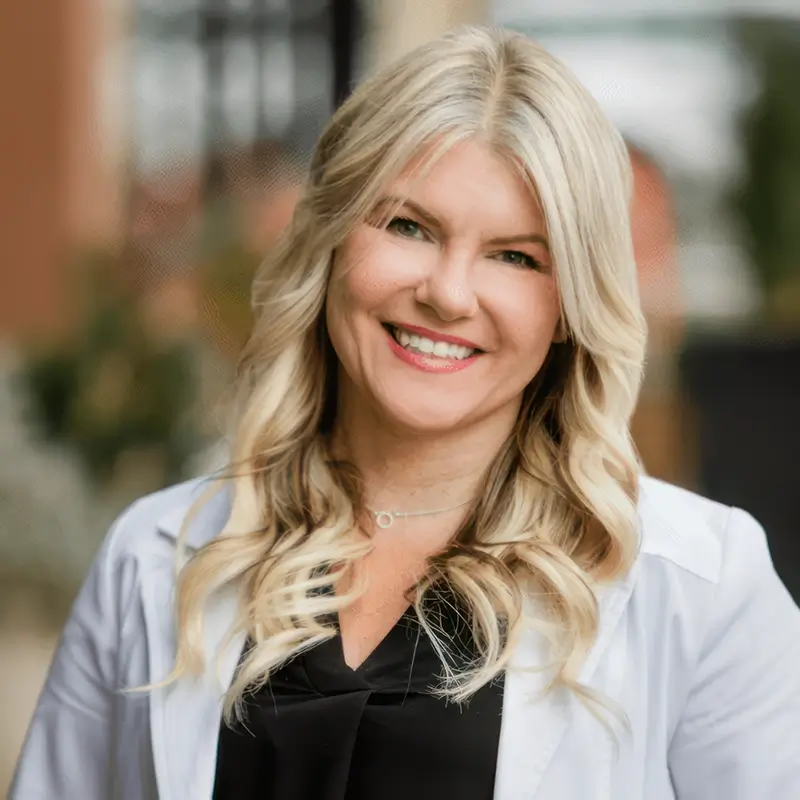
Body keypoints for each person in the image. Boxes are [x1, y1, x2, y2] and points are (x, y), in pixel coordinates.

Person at [10, 26, 800, 800]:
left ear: (570, 305)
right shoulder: (154, 558)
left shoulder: (702, 589)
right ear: (330, 243)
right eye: (408, 226)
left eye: (516, 256)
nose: (448, 293)